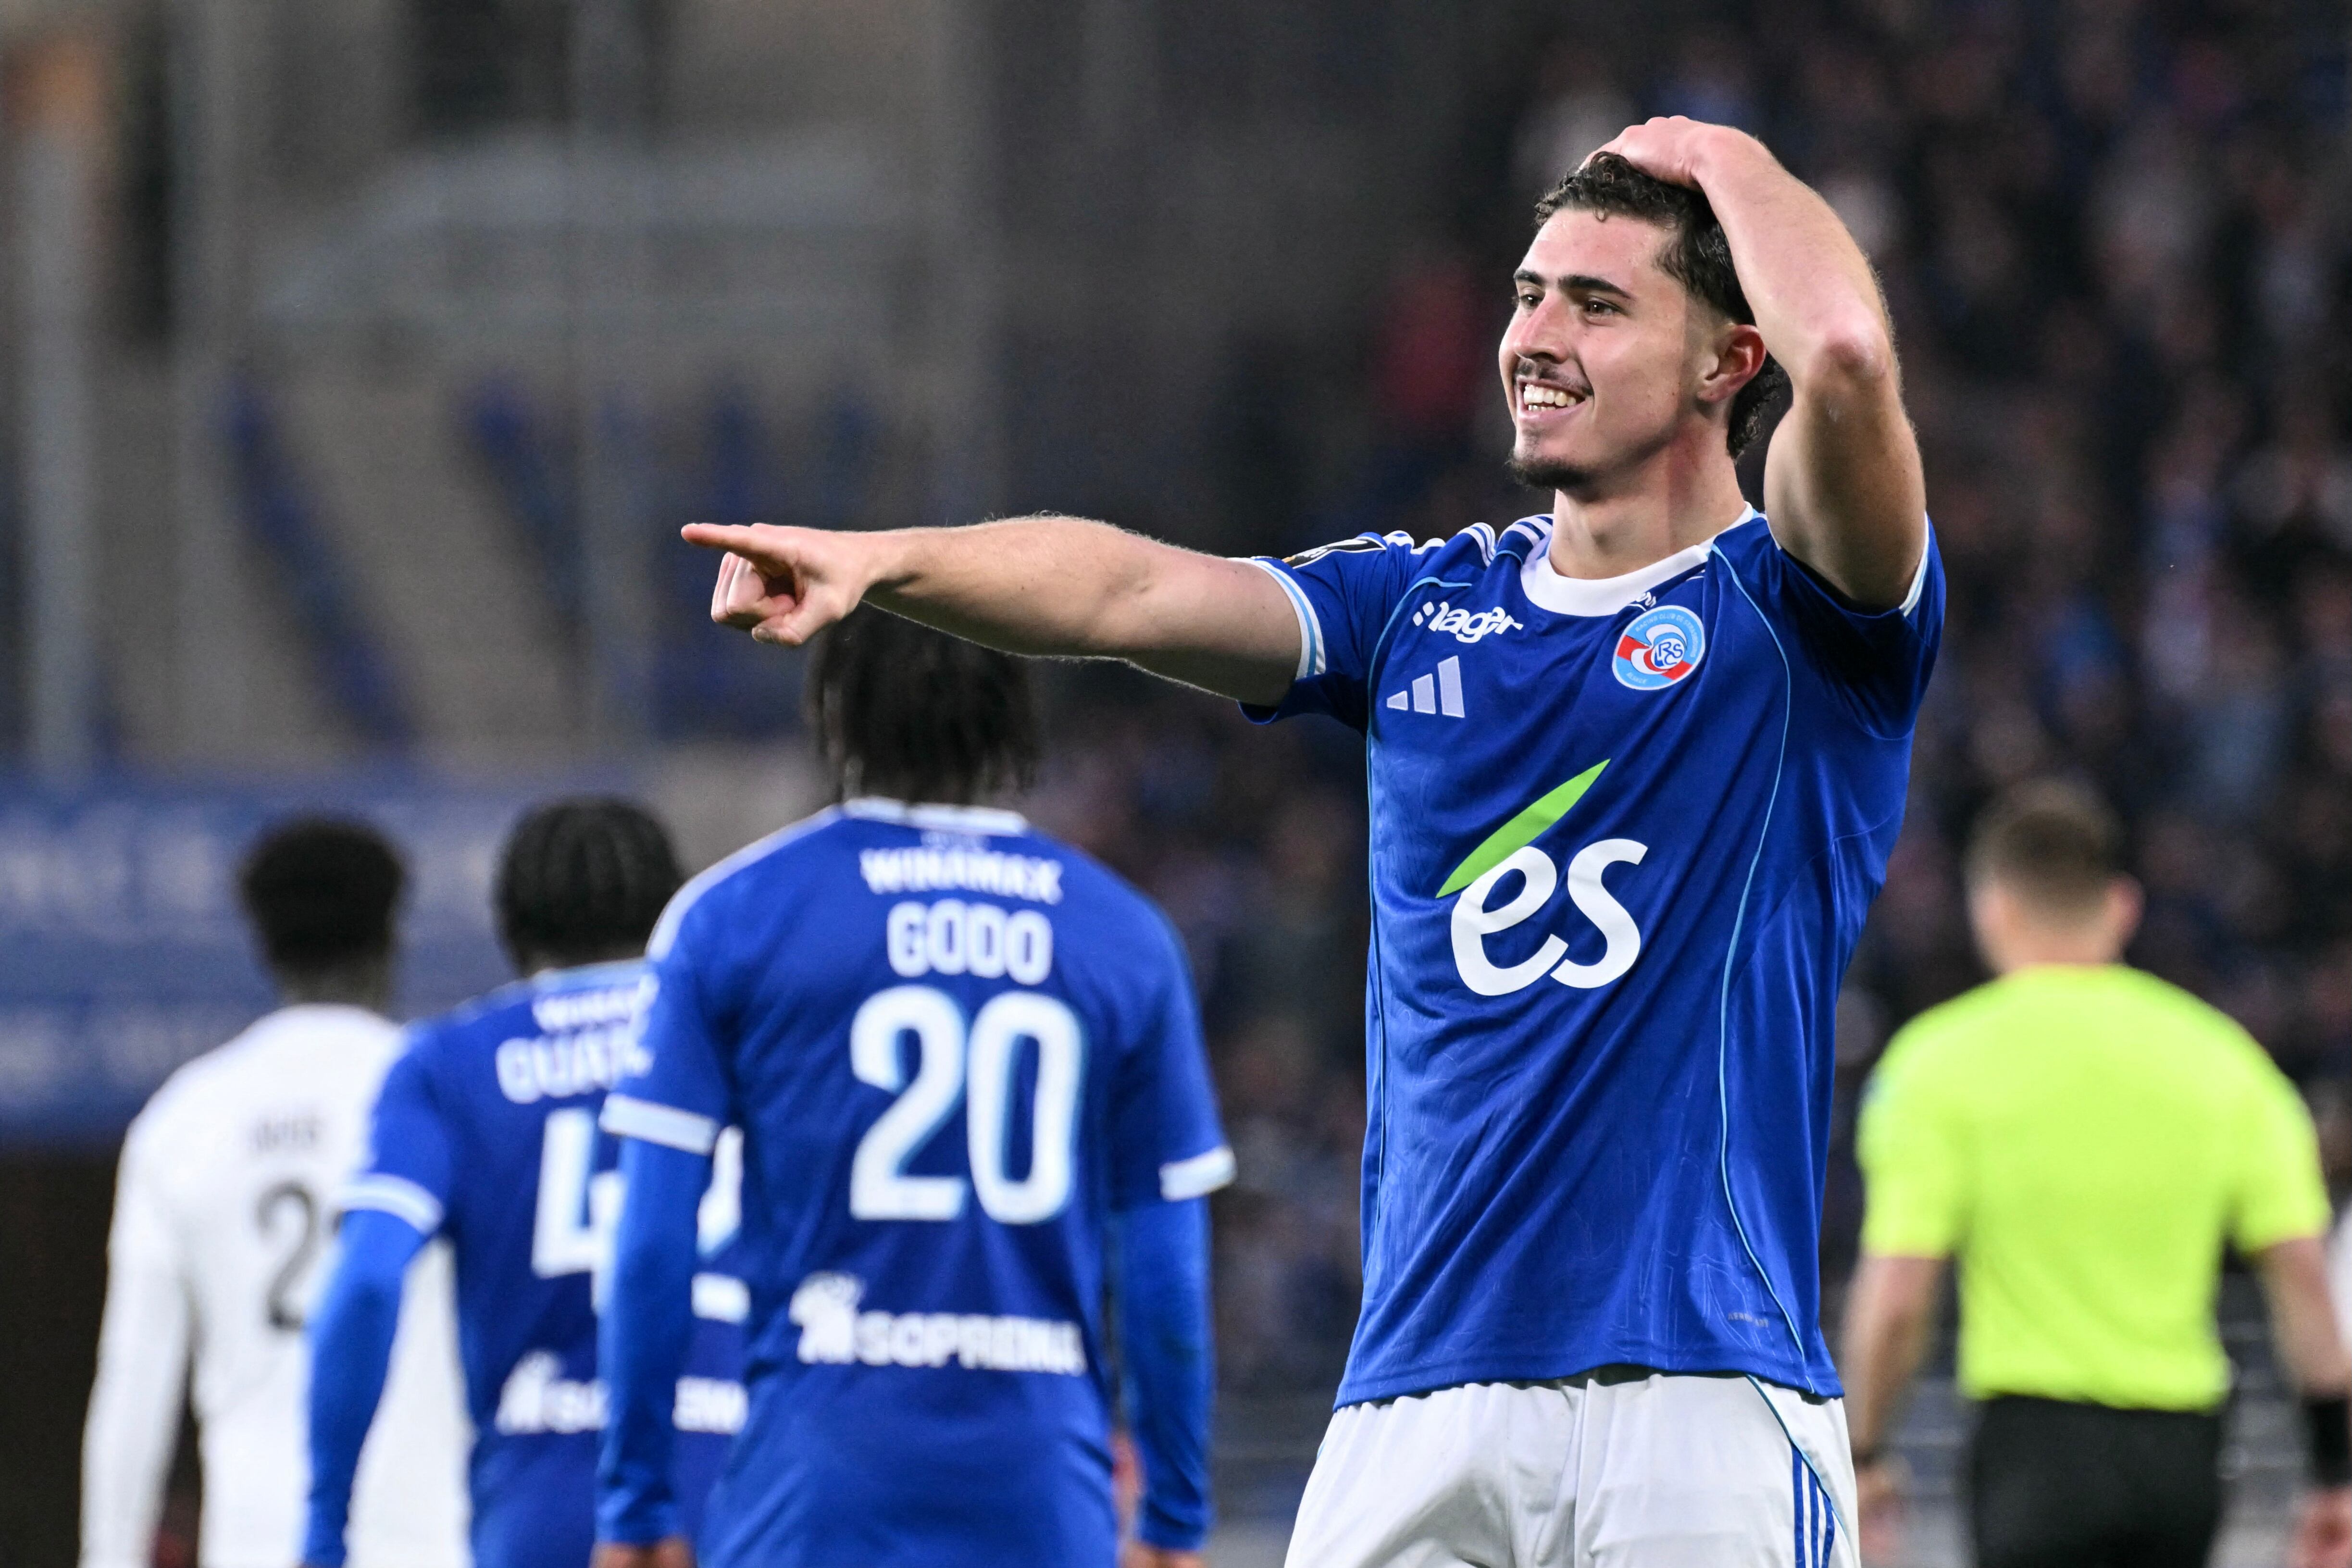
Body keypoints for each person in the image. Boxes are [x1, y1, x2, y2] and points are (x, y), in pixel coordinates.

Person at [682, 116, 1932, 1566]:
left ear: (1726, 361)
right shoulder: (1414, 606)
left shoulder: (1794, 614)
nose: (1534, 335)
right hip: (1415, 1394)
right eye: (1527, 294)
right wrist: (883, 562)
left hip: (1701, 1393)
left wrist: (1728, 161)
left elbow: (1840, 353)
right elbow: (1126, 597)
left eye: (1597, 304)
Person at [590, 610, 1231, 1568]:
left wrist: (636, 1501)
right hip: (1039, 1482)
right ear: (1016, 716)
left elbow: (649, 1242)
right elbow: (1163, 1263)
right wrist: (1173, 1516)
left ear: (832, 713)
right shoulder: (1123, 935)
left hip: (816, 1477)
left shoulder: (732, 916)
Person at [1845, 782, 2352, 1568]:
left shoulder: (1938, 1066)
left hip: (2031, 1449)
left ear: (1992, 908)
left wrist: (1866, 1451)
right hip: (2182, 1453)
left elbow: (1898, 1299)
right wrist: (2332, 1475)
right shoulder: (2225, 1063)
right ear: (2121, 906)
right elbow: (2303, 1284)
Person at [302, 799, 745, 1568]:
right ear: (669, 908)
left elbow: (368, 1280)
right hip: (749, 1503)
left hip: (546, 1512)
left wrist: (325, 1522)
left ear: (509, 925)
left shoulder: (446, 1065)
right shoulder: (745, 1039)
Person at [80, 818, 467, 1568]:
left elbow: (134, 1387)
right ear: (392, 938)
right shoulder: (448, 1095)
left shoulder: (184, 1119)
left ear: (263, 945)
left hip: (260, 1540)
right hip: (430, 1537)